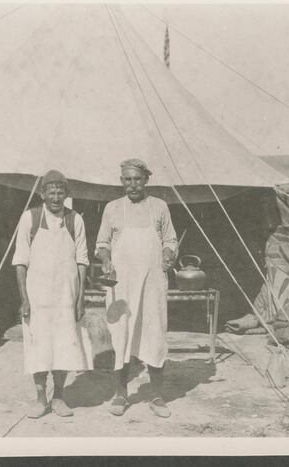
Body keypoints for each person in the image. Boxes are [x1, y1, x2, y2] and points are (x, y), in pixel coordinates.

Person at [96, 158, 178, 418]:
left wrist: (167, 253)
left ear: (146, 180)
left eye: (137, 179)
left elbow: (170, 239)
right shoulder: (112, 208)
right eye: (127, 180)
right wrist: (106, 260)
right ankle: (121, 394)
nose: (132, 184)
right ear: (122, 181)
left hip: (152, 282)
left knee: (154, 335)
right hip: (122, 283)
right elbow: (101, 243)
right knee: (122, 336)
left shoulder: (159, 207)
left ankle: (156, 396)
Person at [12, 170, 89, 418]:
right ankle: (39, 399)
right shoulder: (30, 218)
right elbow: (20, 262)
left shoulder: (75, 219)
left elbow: (82, 262)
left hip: (66, 297)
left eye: (60, 192)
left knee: (64, 346)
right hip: (38, 298)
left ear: (66, 194)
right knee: (39, 347)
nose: (56, 197)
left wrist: (80, 298)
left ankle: (58, 398)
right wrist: (24, 299)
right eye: (51, 192)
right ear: (42, 193)